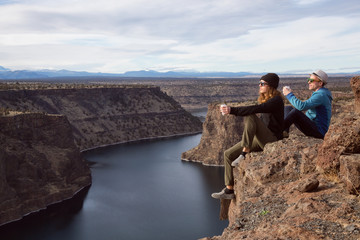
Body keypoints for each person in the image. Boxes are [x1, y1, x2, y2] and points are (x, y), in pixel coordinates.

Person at [211, 73, 284, 199]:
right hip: (262, 138)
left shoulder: (276, 101)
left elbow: (256, 108)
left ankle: (245, 152)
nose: (259, 86)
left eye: (262, 83)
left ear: (270, 85)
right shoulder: (267, 100)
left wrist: (231, 110)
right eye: (259, 83)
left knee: (251, 115)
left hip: (272, 139)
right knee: (227, 154)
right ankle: (229, 190)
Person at [282, 70, 332, 139]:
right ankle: (284, 132)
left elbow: (301, 106)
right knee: (288, 108)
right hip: (314, 127)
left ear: (320, 83)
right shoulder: (321, 93)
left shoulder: (321, 95)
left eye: (311, 80)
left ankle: (278, 130)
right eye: (309, 79)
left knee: (295, 112)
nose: (308, 82)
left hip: (319, 132)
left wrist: (289, 95)